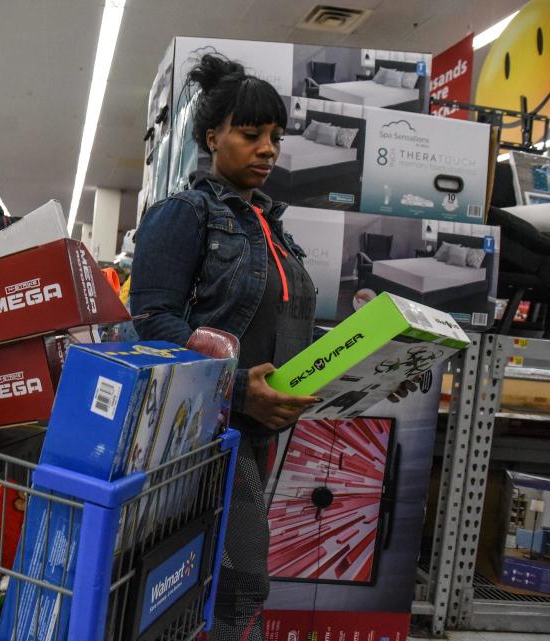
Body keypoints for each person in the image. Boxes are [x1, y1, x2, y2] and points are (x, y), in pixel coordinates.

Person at [129, 54, 318, 641]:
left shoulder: (273, 229)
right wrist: (238, 392)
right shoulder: (184, 215)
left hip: (261, 435)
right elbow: (152, 324)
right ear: (212, 137)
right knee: (219, 584)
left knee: (229, 584)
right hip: (205, 438)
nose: (267, 149)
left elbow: (284, 325)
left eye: (275, 138)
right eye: (250, 133)